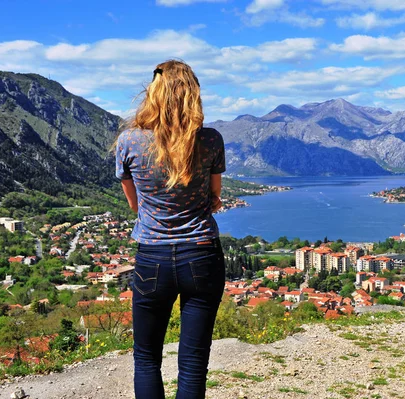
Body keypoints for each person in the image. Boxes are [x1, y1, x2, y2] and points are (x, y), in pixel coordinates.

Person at [115, 59, 226, 399]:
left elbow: (135, 205)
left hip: (153, 259)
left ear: (153, 93)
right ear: (192, 94)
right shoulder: (209, 139)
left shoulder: (130, 141)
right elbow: (215, 195)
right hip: (202, 254)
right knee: (193, 362)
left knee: (146, 358)